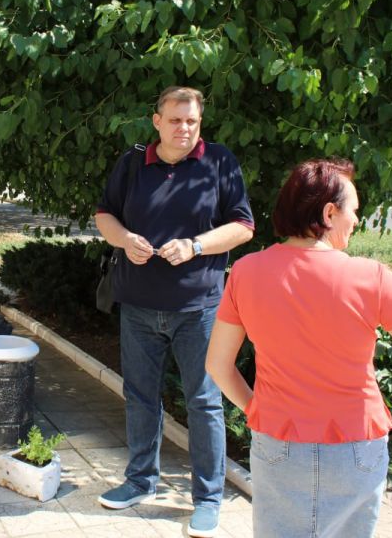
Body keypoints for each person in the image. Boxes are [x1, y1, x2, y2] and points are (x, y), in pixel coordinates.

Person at [205, 158, 392, 537]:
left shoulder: (246, 272)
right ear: (329, 213)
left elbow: (218, 365)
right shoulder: (369, 277)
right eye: (353, 210)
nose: (356, 220)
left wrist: (259, 410)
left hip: (277, 443)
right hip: (354, 447)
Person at [94, 86, 254, 537]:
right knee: (140, 397)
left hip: (198, 308)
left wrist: (196, 246)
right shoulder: (132, 163)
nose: (184, 128)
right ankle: (140, 481)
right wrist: (125, 239)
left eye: (192, 121)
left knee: (204, 402)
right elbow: (105, 214)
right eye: (176, 120)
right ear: (157, 121)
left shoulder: (219, 161)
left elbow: (243, 226)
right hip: (138, 305)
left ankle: (207, 498)